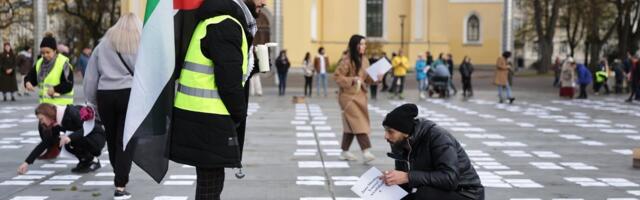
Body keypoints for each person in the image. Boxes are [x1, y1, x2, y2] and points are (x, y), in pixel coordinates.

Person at [170, 0, 265, 199]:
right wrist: (238, 114)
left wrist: (254, 66)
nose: (264, 2)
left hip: (201, 116)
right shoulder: (226, 24)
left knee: (210, 185)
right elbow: (228, 84)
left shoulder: (216, 21)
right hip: (209, 119)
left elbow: (223, 69)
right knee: (209, 189)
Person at [83, 13, 140, 200]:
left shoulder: (102, 46)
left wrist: (91, 103)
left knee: (112, 137)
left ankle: (119, 177)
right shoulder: (139, 45)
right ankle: (121, 185)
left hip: (105, 95)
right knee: (126, 140)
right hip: (129, 95)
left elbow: (90, 77)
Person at [381, 103, 484, 200]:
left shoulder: (437, 137)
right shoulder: (399, 144)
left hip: (466, 193)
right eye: (385, 130)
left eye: (390, 131)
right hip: (439, 191)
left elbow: (450, 178)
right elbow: (405, 185)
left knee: (424, 194)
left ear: (405, 132)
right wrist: (389, 180)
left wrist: (407, 176)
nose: (386, 136)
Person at [24, 33, 75, 162]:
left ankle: (80, 152)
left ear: (55, 51)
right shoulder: (40, 63)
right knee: (44, 129)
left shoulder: (63, 63)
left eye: (48, 52)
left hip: (62, 107)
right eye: (43, 52)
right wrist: (28, 82)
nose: (45, 55)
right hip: (46, 107)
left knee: (61, 129)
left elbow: (68, 84)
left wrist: (56, 89)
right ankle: (53, 149)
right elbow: (30, 77)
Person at [17, 103, 105, 175]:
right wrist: (27, 162)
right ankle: (85, 161)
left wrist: (70, 137)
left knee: (69, 140)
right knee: (61, 142)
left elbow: (90, 127)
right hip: (85, 138)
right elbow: (45, 143)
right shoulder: (55, 123)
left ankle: (93, 161)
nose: (41, 122)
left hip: (97, 137)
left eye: (41, 119)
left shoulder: (70, 112)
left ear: (48, 114)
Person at [334, 34, 381, 163]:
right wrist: (352, 79)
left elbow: (368, 79)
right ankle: (366, 151)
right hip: (348, 96)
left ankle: (344, 151)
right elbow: (337, 77)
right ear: (355, 45)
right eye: (361, 44)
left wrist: (378, 76)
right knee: (358, 121)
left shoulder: (365, 60)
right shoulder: (347, 60)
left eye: (365, 44)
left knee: (351, 125)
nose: (364, 46)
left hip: (360, 95)